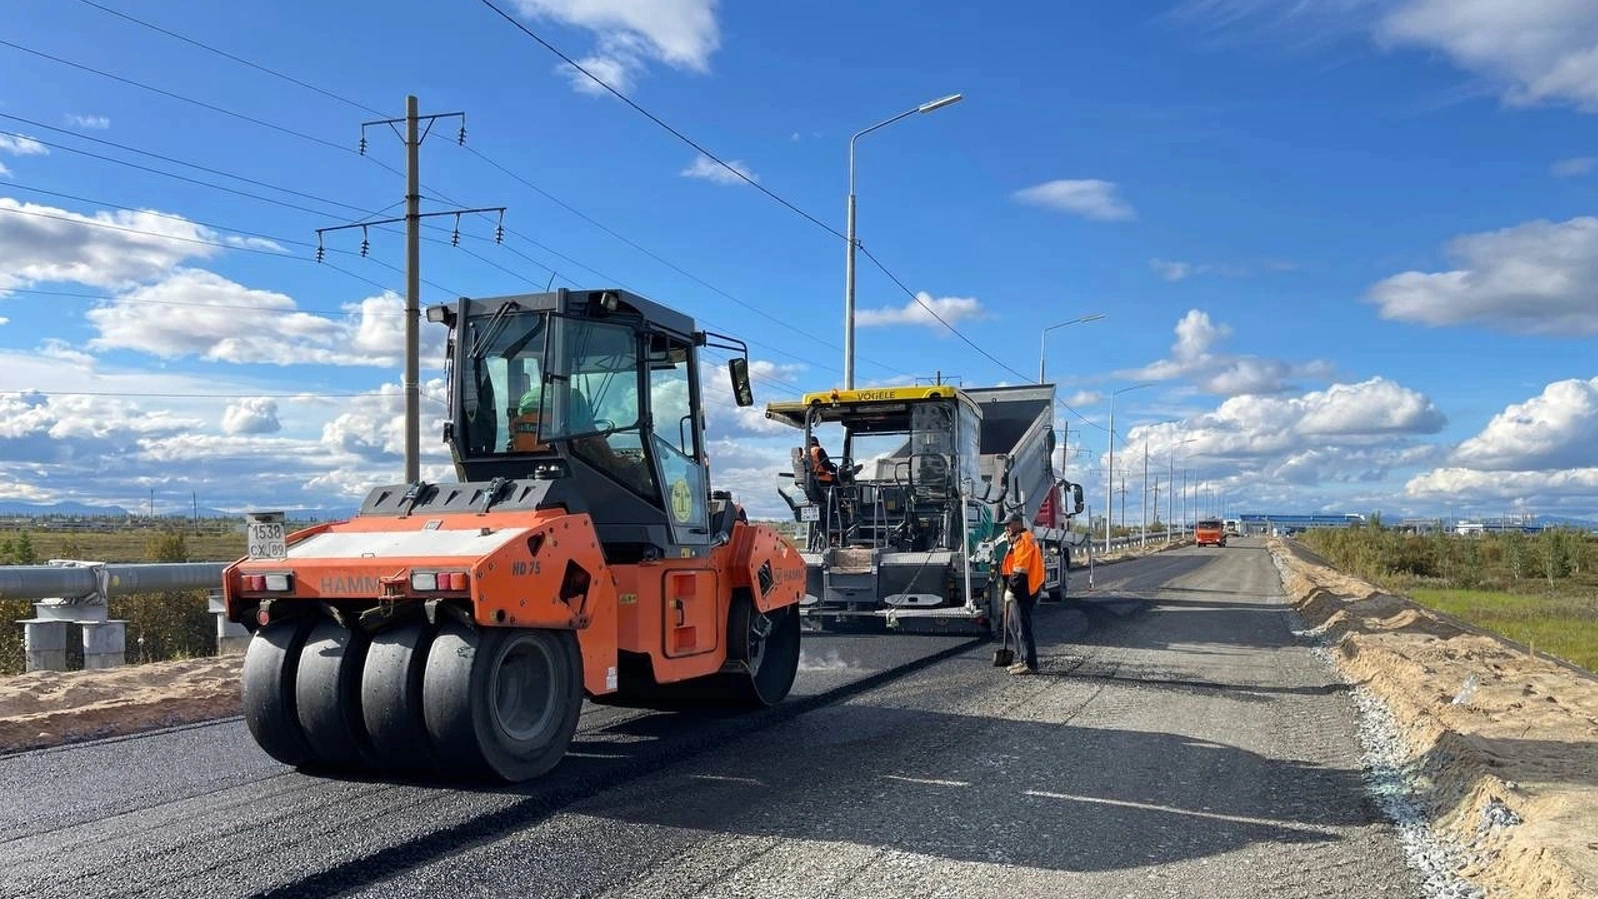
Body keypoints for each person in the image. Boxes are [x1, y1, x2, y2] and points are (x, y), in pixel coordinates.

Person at [999, 511, 1044, 675]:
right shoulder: (1017, 540)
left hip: (1024, 589)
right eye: (1005, 525)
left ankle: (1030, 664)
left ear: (1018, 524)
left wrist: (1010, 590)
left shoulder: (1024, 540)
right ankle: (1022, 659)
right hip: (1020, 588)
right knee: (1012, 624)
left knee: (1022, 627)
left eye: (1009, 524)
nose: (1006, 527)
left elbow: (1020, 570)